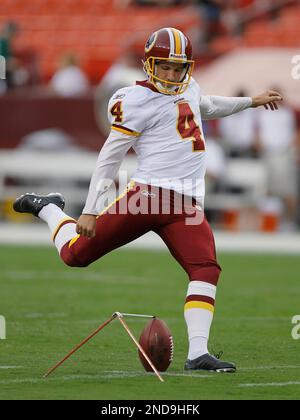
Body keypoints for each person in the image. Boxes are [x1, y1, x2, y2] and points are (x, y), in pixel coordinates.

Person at [13, 27, 283, 372]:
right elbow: (110, 156)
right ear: (149, 65)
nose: (172, 74)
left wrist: (250, 102)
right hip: (148, 197)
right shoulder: (136, 101)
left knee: (205, 268)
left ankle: (197, 354)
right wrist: (91, 209)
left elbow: (208, 106)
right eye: (165, 67)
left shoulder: (190, 86)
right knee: (75, 255)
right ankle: (48, 208)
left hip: (185, 204)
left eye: (178, 67)